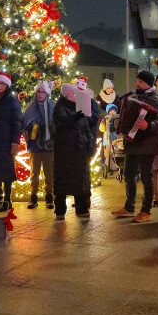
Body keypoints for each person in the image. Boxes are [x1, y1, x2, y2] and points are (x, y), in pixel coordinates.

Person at [112, 70, 158, 223]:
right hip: (132, 143)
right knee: (129, 174)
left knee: (146, 177)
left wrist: (148, 125)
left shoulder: (155, 99)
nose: (137, 84)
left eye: (140, 82)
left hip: (147, 143)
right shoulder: (135, 98)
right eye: (137, 81)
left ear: (148, 83)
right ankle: (129, 207)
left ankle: (146, 210)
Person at [52, 83, 98, 219]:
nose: (75, 96)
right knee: (62, 182)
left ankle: (81, 208)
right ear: (66, 95)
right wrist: (78, 115)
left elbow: (86, 129)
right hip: (64, 152)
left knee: (80, 182)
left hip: (80, 152)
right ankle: (60, 210)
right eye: (73, 94)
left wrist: (89, 146)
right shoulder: (59, 107)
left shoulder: (80, 108)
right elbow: (64, 121)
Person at [0, 72, 23, 212]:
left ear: (7, 85)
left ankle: (7, 199)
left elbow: (17, 122)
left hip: (6, 139)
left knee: (7, 170)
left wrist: (15, 142)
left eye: (3, 83)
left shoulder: (12, 100)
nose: (0, 86)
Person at [22, 81, 55, 209]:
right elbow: (25, 121)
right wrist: (32, 125)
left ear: (47, 93)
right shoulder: (30, 107)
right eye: (39, 92)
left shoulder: (52, 106)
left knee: (49, 172)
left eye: (43, 92)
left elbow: (56, 121)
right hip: (35, 145)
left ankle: (49, 197)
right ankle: (33, 196)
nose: (40, 94)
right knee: (34, 172)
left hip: (49, 144)